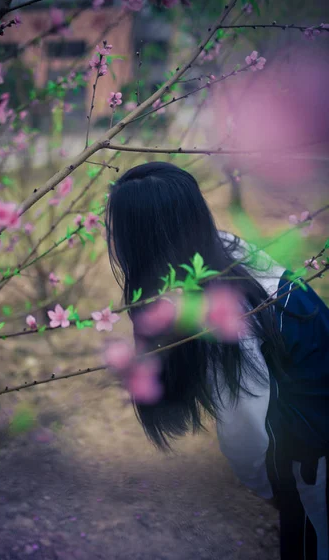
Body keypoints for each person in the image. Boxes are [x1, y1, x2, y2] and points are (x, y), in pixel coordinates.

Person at [104, 161, 329, 560]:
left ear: (133, 240)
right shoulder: (225, 253)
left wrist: (273, 491)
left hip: (315, 460)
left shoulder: (217, 315)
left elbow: (247, 432)